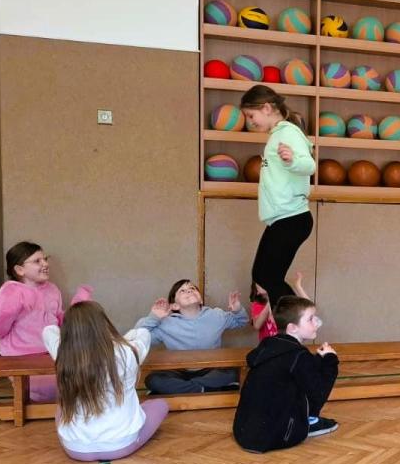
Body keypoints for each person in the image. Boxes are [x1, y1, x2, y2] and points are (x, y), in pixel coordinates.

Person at [43, 301, 168, 462]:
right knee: (160, 405)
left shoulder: (64, 354)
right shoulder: (127, 352)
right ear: (104, 324)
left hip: (75, 448)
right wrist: (123, 338)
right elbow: (143, 334)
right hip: (121, 445)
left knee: (62, 408)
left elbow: (48, 331)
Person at [0, 241, 92, 402]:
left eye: (45, 259)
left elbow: (58, 322)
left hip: (52, 353)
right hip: (21, 358)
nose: (45, 264)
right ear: (20, 270)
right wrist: (13, 306)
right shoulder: (10, 292)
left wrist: (77, 309)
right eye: (37, 261)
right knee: (66, 385)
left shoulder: (52, 289)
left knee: (88, 375)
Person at [232, 296, 339, 452]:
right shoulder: (298, 355)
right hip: (277, 437)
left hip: (244, 433)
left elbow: (295, 371)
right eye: (310, 319)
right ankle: (308, 423)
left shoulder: (269, 346)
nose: (316, 322)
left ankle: (303, 421)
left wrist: (317, 360)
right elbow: (318, 396)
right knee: (310, 392)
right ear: (292, 328)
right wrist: (330, 360)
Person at [241, 85, 315, 309]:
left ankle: (300, 321)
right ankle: (288, 322)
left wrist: (293, 160)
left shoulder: (288, 133)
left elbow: (309, 165)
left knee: (267, 278)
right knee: (261, 276)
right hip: (281, 219)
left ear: (266, 108)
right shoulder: (278, 134)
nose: (250, 121)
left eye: (251, 115)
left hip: (292, 219)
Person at [135, 279, 248, 394]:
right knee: (153, 380)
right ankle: (204, 388)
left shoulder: (216, 315)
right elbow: (138, 336)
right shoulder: (166, 323)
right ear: (175, 305)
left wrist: (237, 310)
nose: (189, 291)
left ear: (201, 300)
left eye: (192, 288)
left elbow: (241, 322)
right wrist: (153, 317)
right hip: (177, 371)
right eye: (182, 291)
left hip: (211, 369)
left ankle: (185, 388)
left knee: (231, 373)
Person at [251, 270, 311, 342]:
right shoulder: (257, 304)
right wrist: (269, 301)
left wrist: (298, 286)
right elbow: (257, 325)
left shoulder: (284, 299)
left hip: (289, 342)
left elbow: (309, 308)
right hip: (268, 344)